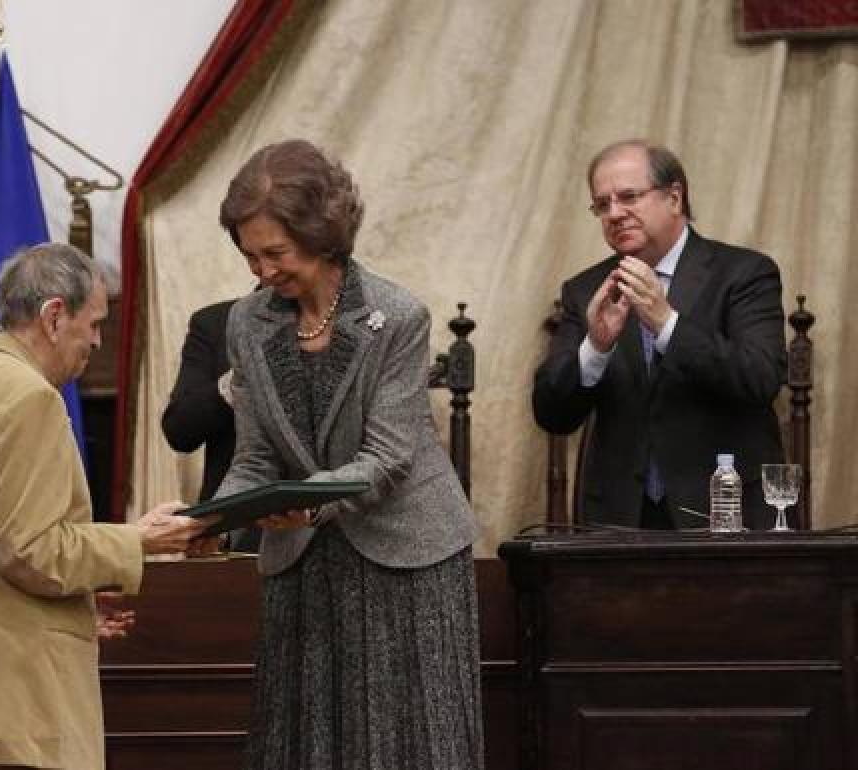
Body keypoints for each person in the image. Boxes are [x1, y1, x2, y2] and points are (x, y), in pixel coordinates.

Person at [0, 242, 211, 770]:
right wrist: (140, 540)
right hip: (15, 710)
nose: (97, 341)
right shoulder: (28, 398)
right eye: (94, 323)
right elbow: (30, 550)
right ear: (54, 316)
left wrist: (59, 611)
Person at [214, 139, 484, 769]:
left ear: (322, 235)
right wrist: (214, 519)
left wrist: (308, 506)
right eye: (249, 255)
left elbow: (387, 457)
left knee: (408, 744)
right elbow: (254, 458)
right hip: (305, 564)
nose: (262, 271)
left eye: (275, 253)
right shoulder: (246, 323)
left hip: (406, 559)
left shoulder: (398, 315)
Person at [533, 139, 787, 530]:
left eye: (628, 197)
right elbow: (552, 414)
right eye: (602, 204)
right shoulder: (586, 290)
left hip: (725, 513)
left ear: (674, 197)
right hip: (619, 523)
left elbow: (760, 378)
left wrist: (667, 324)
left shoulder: (744, 273)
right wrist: (595, 348)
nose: (614, 214)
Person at [161, 259, 263, 553]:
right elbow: (179, 431)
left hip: (325, 527)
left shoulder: (344, 325)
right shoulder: (216, 324)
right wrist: (237, 381)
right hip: (235, 534)